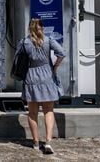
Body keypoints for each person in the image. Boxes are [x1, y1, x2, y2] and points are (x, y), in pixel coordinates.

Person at [19, 18, 66, 154]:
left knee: (32, 112)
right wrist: (55, 66)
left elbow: (19, 60)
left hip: (31, 77)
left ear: (30, 28)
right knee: (48, 111)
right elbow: (62, 53)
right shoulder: (49, 40)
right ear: (42, 28)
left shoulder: (25, 42)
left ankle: (35, 142)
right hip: (47, 77)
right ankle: (48, 142)